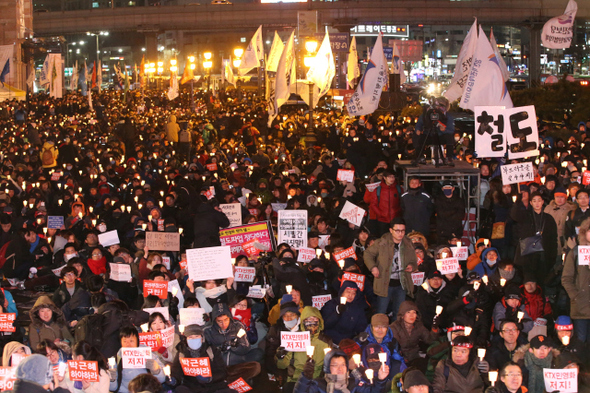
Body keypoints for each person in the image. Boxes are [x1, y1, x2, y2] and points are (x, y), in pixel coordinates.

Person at [364, 218, 418, 316]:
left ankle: (395, 330)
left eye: (403, 231)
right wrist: (373, 267)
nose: (400, 233)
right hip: (385, 282)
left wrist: (412, 266)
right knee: (381, 311)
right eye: (397, 231)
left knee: (399, 312)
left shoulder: (408, 243)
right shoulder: (382, 242)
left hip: (401, 283)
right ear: (391, 230)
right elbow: (367, 254)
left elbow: (414, 261)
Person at [276, 306, 331, 393]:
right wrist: (280, 356)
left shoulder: (326, 341)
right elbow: (282, 366)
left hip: (317, 380)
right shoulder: (294, 338)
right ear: (302, 321)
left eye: (314, 318)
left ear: (319, 321)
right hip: (296, 379)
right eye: (308, 319)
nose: (311, 321)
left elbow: (330, 366)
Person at [511, 191, 558, 287]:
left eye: (539, 201)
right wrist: (518, 200)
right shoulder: (526, 215)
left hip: (544, 253)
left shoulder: (548, 218)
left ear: (542, 202)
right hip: (528, 254)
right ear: (531, 203)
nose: (537, 203)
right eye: (534, 201)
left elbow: (553, 238)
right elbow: (514, 215)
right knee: (529, 281)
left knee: (542, 281)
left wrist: (553, 254)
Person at [171, 324, 236, 393]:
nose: (194, 339)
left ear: (202, 338)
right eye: (190, 337)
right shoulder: (182, 353)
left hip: (213, 386)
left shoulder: (211, 350)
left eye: (197, 336)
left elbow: (222, 372)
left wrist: (209, 378)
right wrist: (173, 380)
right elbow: (176, 372)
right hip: (192, 387)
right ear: (186, 339)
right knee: (180, 389)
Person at [293, 349, 390, 393]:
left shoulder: (354, 384)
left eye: (343, 365)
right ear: (327, 367)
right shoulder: (318, 385)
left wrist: (380, 380)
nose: (340, 368)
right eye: (335, 365)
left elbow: (374, 391)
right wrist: (305, 377)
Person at [108, 326, 166, 393]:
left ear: (137, 341)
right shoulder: (115, 360)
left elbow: (162, 380)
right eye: (124, 341)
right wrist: (112, 379)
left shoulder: (149, 355)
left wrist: (156, 370)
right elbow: (112, 388)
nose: (128, 344)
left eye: (131, 341)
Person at [562, 216, 590, 343]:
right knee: (581, 342)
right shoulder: (576, 252)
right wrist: (575, 295)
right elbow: (566, 278)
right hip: (580, 307)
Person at [356, 313, 406, 382]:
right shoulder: (363, 341)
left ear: (387, 328)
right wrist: (358, 342)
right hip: (366, 378)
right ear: (371, 327)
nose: (380, 330)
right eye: (377, 326)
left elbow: (399, 360)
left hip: (386, 376)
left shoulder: (391, 342)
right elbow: (350, 357)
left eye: (383, 327)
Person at [390, 301, 438, 367]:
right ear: (402, 315)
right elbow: (395, 348)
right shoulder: (394, 327)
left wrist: (434, 329)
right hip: (399, 360)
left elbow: (429, 340)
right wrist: (404, 359)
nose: (411, 315)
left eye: (414, 312)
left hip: (414, 358)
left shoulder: (418, 326)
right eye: (408, 312)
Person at [365, 169, 403, 237]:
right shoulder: (378, 190)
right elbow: (373, 204)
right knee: (383, 239)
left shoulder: (399, 189)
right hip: (382, 220)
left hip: (395, 220)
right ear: (384, 178)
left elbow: (402, 203)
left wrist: (398, 212)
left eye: (393, 177)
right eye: (389, 177)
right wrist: (381, 214)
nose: (392, 179)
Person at [544, 186, 575, 252]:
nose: (559, 199)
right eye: (557, 197)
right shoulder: (548, 208)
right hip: (547, 240)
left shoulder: (570, 209)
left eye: (562, 197)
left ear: (565, 198)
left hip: (561, 241)